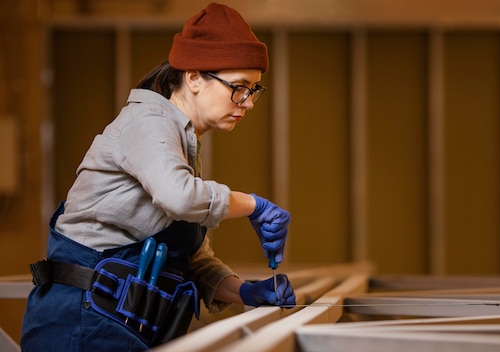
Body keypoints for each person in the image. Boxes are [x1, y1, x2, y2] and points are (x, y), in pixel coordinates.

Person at [21, 3, 296, 351]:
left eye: (254, 90)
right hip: (81, 323)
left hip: (124, 325)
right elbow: (179, 196)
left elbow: (191, 258)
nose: (248, 102)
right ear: (194, 76)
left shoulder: (182, 143)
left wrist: (245, 291)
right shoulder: (149, 122)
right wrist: (254, 205)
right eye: (239, 87)